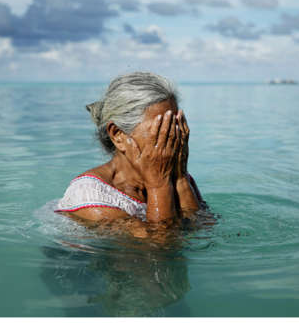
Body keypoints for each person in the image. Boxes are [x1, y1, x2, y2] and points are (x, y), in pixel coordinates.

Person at [56, 72, 205, 234]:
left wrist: (181, 178)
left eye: (176, 124)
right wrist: (158, 184)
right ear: (118, 134)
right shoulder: (90, 196)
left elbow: (202, 233)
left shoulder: (174, 175)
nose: (174, 136)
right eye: (161, 128)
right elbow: (160, 249)